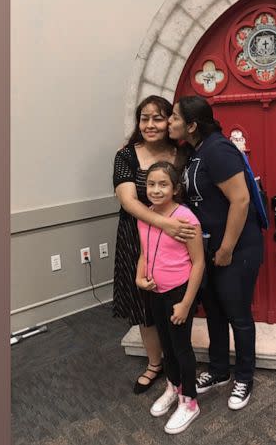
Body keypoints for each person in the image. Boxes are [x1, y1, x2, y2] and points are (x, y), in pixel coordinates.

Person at [168, 95, 264, 410]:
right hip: (209, 249)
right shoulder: (196, 151)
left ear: (192, 125)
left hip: (235, 249)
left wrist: (226, 249)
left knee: (238, 315)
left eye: (174, 117)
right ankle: (220, 370)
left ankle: (244, 377)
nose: (170, 122)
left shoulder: (218, 150)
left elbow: (240, 201)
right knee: (215, 312)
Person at [112, 95, 196, 394]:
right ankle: (154, 363)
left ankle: (177, 361)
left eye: (158, 118)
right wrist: (164, 224)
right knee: (143, 303)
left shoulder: (184, 154)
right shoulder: (126, 156)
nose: (150, 124)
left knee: (173, 300)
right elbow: (127, 200)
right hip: (137, 238)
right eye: (144, 118)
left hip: (178, 241)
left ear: (170, 121)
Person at [135, 161, 205, 434]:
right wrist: (139, 278)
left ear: (175, 189)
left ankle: (189, 400)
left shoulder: (186, 218)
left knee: (181, 348)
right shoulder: (146, 215)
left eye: (163, 184)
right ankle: (173, 387)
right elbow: (145, 252)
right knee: (165, 344)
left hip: (178, 293)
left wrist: (186, 303)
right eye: (151, 184)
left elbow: (198, 263)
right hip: (155, 292)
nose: (155, 189)